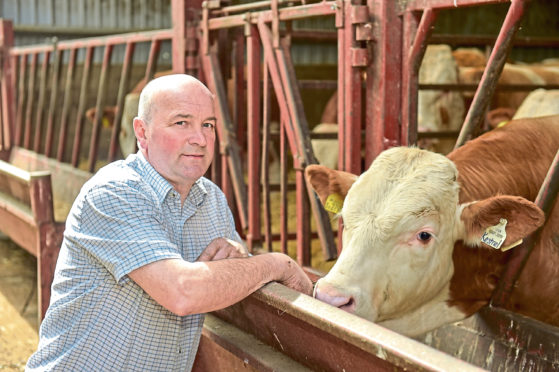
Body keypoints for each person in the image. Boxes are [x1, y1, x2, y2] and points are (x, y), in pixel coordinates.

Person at [26, 74, 313, 371]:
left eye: (208, 125)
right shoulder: (114, 192)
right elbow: (182, 292)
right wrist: (278, 264)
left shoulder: (210, 201)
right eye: (181, 123)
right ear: (142, 132)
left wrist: (238, 259)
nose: (200, 139)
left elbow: (235, 277)